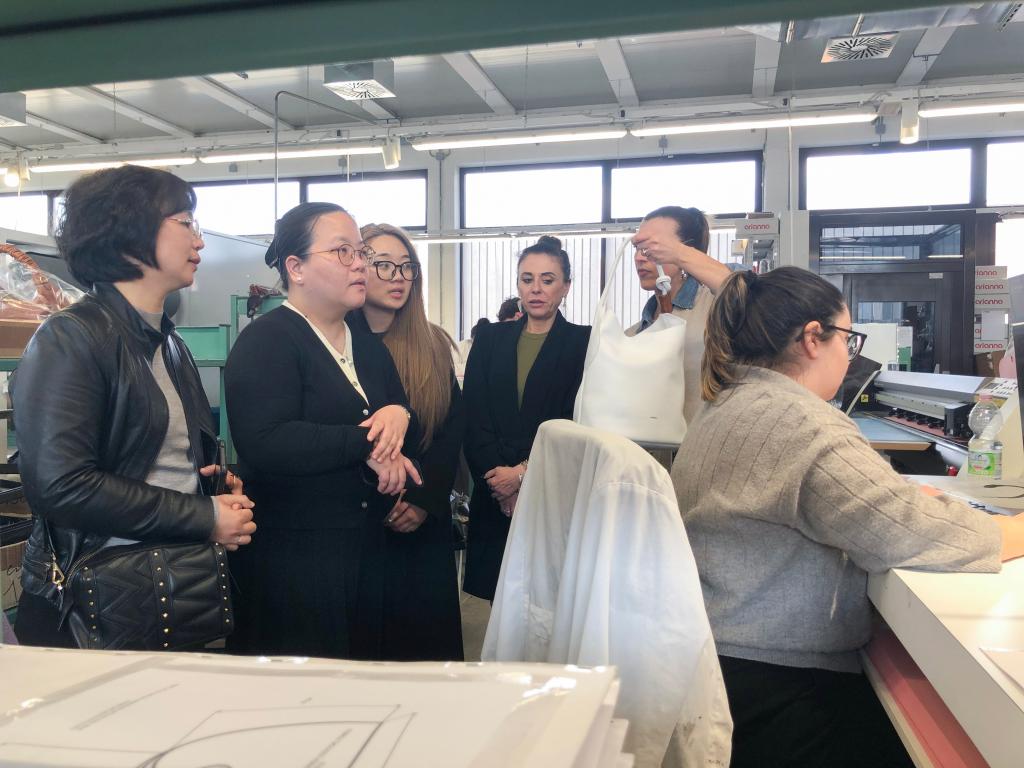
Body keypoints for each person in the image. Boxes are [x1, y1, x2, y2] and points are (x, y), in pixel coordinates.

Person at [672, 267, 1024, 768]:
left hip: (717, 670)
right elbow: (907, 530)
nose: (849, 355)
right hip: (778, 688)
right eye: (848, 339)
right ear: (813, 338)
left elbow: (862, 503)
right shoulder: (802, 423)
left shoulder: (727, 403)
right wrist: (1012, 530)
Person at [12, 165, 255, 647]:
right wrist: (203, 516)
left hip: (170, 585)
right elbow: (61, 486)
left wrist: (211, 487)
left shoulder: (171, 343)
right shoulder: (70, 338)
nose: (199, 241)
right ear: (128, 229)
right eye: (186, 223)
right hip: (91, 603)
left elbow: (157, 461)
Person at [224, 202, 422, 660]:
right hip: (297, 560)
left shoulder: (365, 344)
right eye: (342, 251)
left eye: (360, 252)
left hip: (365, 549)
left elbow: (396, 415)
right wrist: (369, 444)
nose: (359, 264)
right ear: (296, 268)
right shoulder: (268, 340)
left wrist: (401, 414)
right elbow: (266, 440)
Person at [348, 222, 464, 661]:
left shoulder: (431, 344)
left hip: (421, 522)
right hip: (362, 524)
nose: (398, 277)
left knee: (422, 658)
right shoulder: (336, 342)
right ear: (358, 266)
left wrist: (422, 501)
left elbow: (450, 432)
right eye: (383, 265)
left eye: (406, 266)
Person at [462, 235, 590, 601]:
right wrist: (500, 484)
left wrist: (522, 475)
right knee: (499, 600)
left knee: (547, 602)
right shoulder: (490, 339)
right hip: (493, 490)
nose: (536, 289)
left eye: (548, 280)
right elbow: (473, 414)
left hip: (551, 489)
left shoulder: (583, 343)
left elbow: (575, 422)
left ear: (566, 286)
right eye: (527, 279)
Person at [628, 205, 734, 424]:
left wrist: (681, 255)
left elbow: (745, 292)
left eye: (651, 248)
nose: (639, 258)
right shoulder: (634, 333)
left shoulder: (716, 306)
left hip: (705, 437)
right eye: (638, 248)